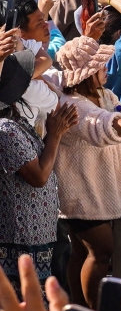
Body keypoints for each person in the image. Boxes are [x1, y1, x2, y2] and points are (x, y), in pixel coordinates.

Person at [51, 35, 121, 306]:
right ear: (87, 74)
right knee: (101, 252)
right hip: (81, 195)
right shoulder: (74, 105)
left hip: (90, 194)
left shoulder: (102, 95)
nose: (106, 69)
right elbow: (103, 126)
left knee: (81, 252)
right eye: (100, 66)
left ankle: (78, 308)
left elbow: (111, 116)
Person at [0, 49, 76, 284]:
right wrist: (55, 134)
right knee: (27, 299)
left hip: (34, 234)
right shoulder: (6, 129)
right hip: (21, 237)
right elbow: (39, 176)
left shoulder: (17, 122)